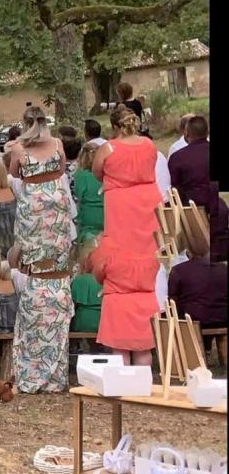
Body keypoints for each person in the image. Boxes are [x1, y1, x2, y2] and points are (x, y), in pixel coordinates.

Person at [6, 105, 75, 393]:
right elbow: (60, 169)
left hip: (33, 201)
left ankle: (32, 370)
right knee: (57, 255)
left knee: (30, 256)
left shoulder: (20, 148)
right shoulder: (58, 143)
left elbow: (14, 174)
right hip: (55, 201)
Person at [91, 105, 161, 365]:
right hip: (147, 198)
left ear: (114, 126)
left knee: (120, 242)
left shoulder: (108, 148)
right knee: (146, 242)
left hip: (121, 201)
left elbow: (98, 171)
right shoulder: (150, 145)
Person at [168, 114, 228, 261]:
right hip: (217, 208)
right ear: (207, 133)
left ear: (186, 134)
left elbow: (174, 189)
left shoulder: (177, 157)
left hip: (189, 211)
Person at [169, 237, 228, 330]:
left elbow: (173, 300)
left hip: (194, 321)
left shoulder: (179, 270)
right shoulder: (224, 269)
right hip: (223, 319)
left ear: (188, 252)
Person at [71, 142, 105, 242]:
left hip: (88, 217)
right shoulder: (106, 175)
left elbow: (77, 197)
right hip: (105, 215)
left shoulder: (80, 175)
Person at [70, 240, 104, 334]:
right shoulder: (108, 280)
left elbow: (73, 304)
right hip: (105, 323)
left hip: (82, 324)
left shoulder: (79, 280)